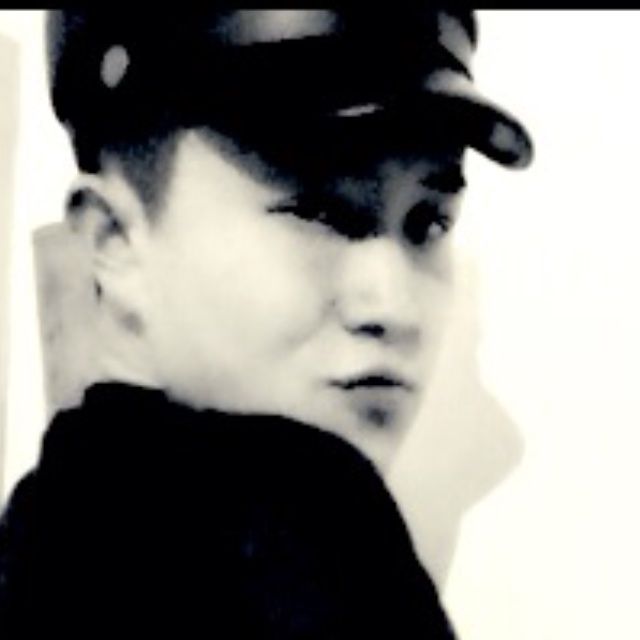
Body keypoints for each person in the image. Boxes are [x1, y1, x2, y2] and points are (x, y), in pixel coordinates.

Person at [0, 7, 533, 638]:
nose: (393, 308)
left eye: (428, 222)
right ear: (112, 240)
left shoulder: (46, 535)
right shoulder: (319, 534)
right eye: (318, 211)